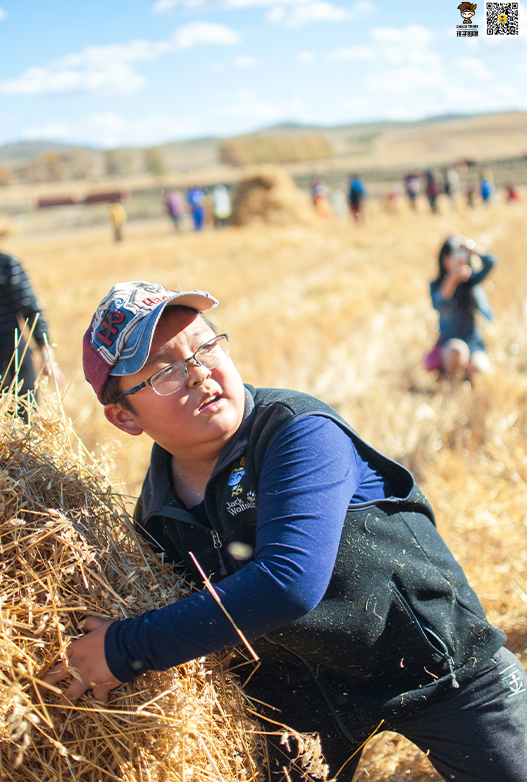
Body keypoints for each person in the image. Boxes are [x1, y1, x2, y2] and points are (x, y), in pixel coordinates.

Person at [43, 281, 527, 782]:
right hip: (302, 707)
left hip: (435, 662)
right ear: (124, 417)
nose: (199, 373)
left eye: (206, 348)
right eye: (165, 372)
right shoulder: (156, 513)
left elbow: (289, 581)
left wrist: (126, 648)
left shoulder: (297, 430)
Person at [0, 249, 65, 417]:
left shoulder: (7, 265)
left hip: (13, 359)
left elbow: (31, 312)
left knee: (25, 421)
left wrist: (47, 356)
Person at [429, 235, 496, 384]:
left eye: (462, 256)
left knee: (482, 371)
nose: (458, 260)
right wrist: (452, 279)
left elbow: (491, 262)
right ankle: (453, 385)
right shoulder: (437, 285)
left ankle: (469, 380)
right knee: (457, 351)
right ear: (445, 260)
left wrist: (469, 245)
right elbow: (439, 303)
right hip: (449, 345)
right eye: (453, 256)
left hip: (473, 343)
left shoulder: (471, 282)